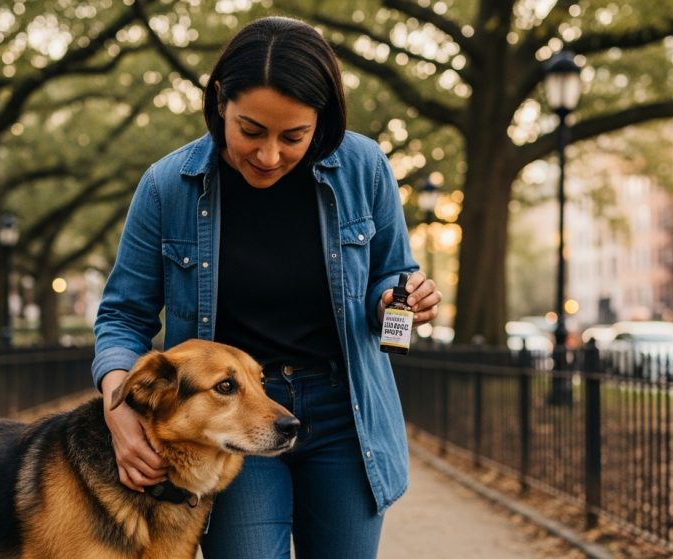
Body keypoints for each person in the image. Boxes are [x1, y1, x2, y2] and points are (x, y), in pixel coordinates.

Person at [92, 16, 441, 559]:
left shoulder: (365, 168)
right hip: (227, 415)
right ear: (220, 101)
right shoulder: (166, 187)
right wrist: (117, 407)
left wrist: (399, 299)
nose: (269, 155)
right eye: (251, 131)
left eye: (293, 136)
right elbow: (122, 316)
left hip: (344, 412)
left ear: (321, 121)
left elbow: (392, 273)